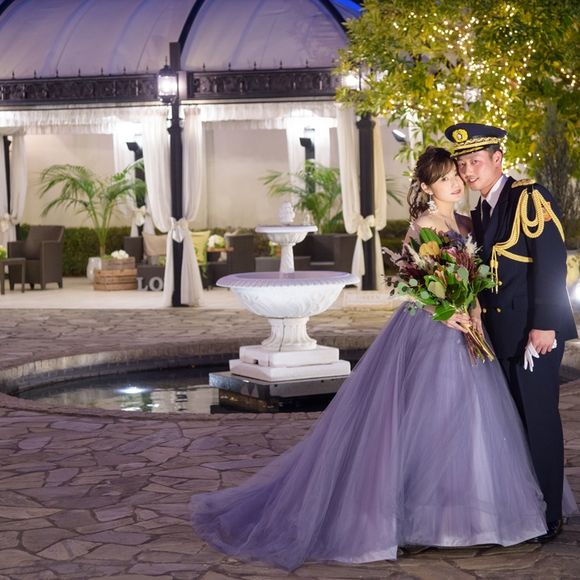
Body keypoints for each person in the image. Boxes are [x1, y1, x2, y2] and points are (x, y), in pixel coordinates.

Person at [190, 147, 560, 572]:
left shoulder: (467, 222)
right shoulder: (424, 225)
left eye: (456, 175)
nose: (456, 182)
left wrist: (473, 309)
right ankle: (419, 520)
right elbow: (413, 284)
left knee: (473, 423)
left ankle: (470, 516)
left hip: (468, 330)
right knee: (429, 422)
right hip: (432, 332)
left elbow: (478, 277)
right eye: (444, 178)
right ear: (427, 188)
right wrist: (445, 311)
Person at [446, 122, 578, 542]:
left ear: (498, 159)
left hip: (532, 334)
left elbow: (552, 262)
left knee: (539, 422)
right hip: (500, 334)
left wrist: (546, 324)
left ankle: (550, 515)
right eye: (462, 164)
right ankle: (525, 508)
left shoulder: (528, 197)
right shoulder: (483, 209)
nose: (468, 171)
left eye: (476, 162)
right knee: (514, 426)